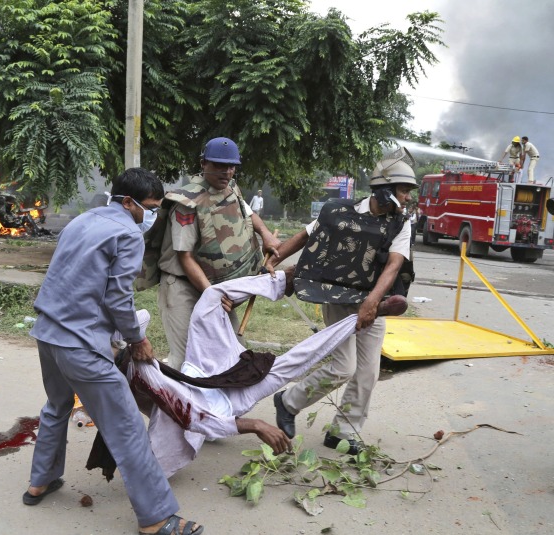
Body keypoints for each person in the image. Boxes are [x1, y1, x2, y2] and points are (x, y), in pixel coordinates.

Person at [24, 168, 204, 535]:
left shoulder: (82, 221)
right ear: (127, 202)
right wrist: (137, 339)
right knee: (126, 429)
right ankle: (155, 519)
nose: (150, 216)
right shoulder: (126, 232)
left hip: (48, 334)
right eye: (149, 208)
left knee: (56, 406)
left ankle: (39, 481)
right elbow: (118, 296)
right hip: (81, 345)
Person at [116, 271, 407, 477]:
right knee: (297, 360)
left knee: (210, 297)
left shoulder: (131, 361)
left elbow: (136, 321)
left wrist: (133, 339)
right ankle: (362, 318)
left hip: (200, 371)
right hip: (222, 402)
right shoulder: (141, 376)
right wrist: (255, 424)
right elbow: (198, 418)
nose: (146, 347)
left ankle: (283, 280)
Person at [267, 147, 417, 455]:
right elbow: (305, 236)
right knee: (344, 367)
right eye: (404, 191)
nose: (408, 198)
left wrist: (373, 303)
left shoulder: (400, 224)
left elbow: (393, 266)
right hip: (337, 298)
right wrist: (274, 260)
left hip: (373, 302)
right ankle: (288, 401)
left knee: (368, 372)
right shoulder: (337, 210)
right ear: (386, 190)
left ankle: (342, 431)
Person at [157, 137, 281, 370]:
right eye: (219, 166)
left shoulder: (231, 188)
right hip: (182, 286)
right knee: (185, 358)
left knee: (234, 350)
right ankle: (165, 402)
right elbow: (185, 257)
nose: (226, 172)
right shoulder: (187, 202)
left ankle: (218, 405)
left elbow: (247, 212)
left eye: (231, 167)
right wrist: (214, 295)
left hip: (213, 286)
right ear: (204, 164)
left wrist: (265, 234)